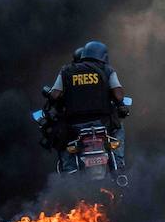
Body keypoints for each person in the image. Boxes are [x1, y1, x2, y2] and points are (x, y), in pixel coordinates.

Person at [49, 41, 128, 173]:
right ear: (104, 56)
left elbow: (54, 95)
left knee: (63, 141)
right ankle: (118, 166)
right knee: (118, 131)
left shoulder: (66, 71)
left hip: (74, 126)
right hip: (103, 123)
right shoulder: (107, 70)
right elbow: (119, 96)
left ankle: (70, 173)